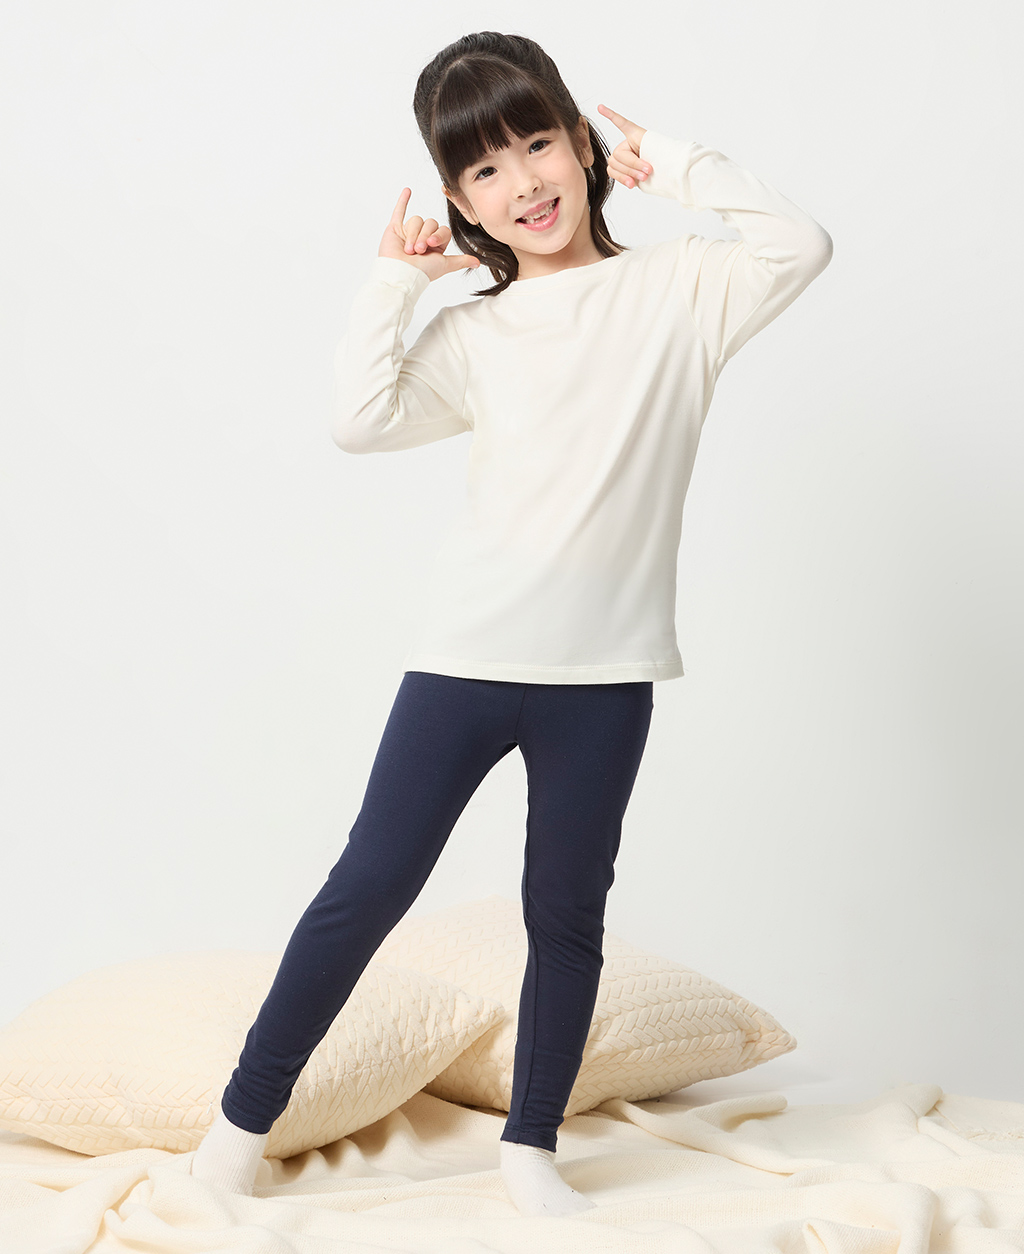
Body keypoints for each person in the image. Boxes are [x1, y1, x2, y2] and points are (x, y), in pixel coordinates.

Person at [191, 29, 832, 1215]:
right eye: (484, 169)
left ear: (581, 147)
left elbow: (802, 244)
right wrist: (396, 282)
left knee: (566, 913)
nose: (523, 183)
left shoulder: (682, 289)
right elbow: (358, 420)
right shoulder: (474, 335)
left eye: (537, 144)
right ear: (459, 201)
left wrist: (678, 162)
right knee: (366, 888)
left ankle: (530, 1150)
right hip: (466, 659)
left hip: (606, 673)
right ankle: (233, 1134)